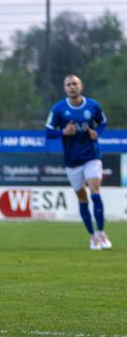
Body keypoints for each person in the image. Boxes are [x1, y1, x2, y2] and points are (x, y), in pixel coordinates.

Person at [45, 74, 112, 251]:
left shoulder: (92, 105)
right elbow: (48, 132)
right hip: (72, 160)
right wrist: (63, 133)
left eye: (75, 84)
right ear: (64, 88)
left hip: (92, 155)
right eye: (68, 85)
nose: (72, 87)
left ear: (81, 86)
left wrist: (97, 132)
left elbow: (103, 122)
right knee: (82, 198)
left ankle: (101, 233)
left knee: (95, 191)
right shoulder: (58, 109)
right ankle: (92, 237)